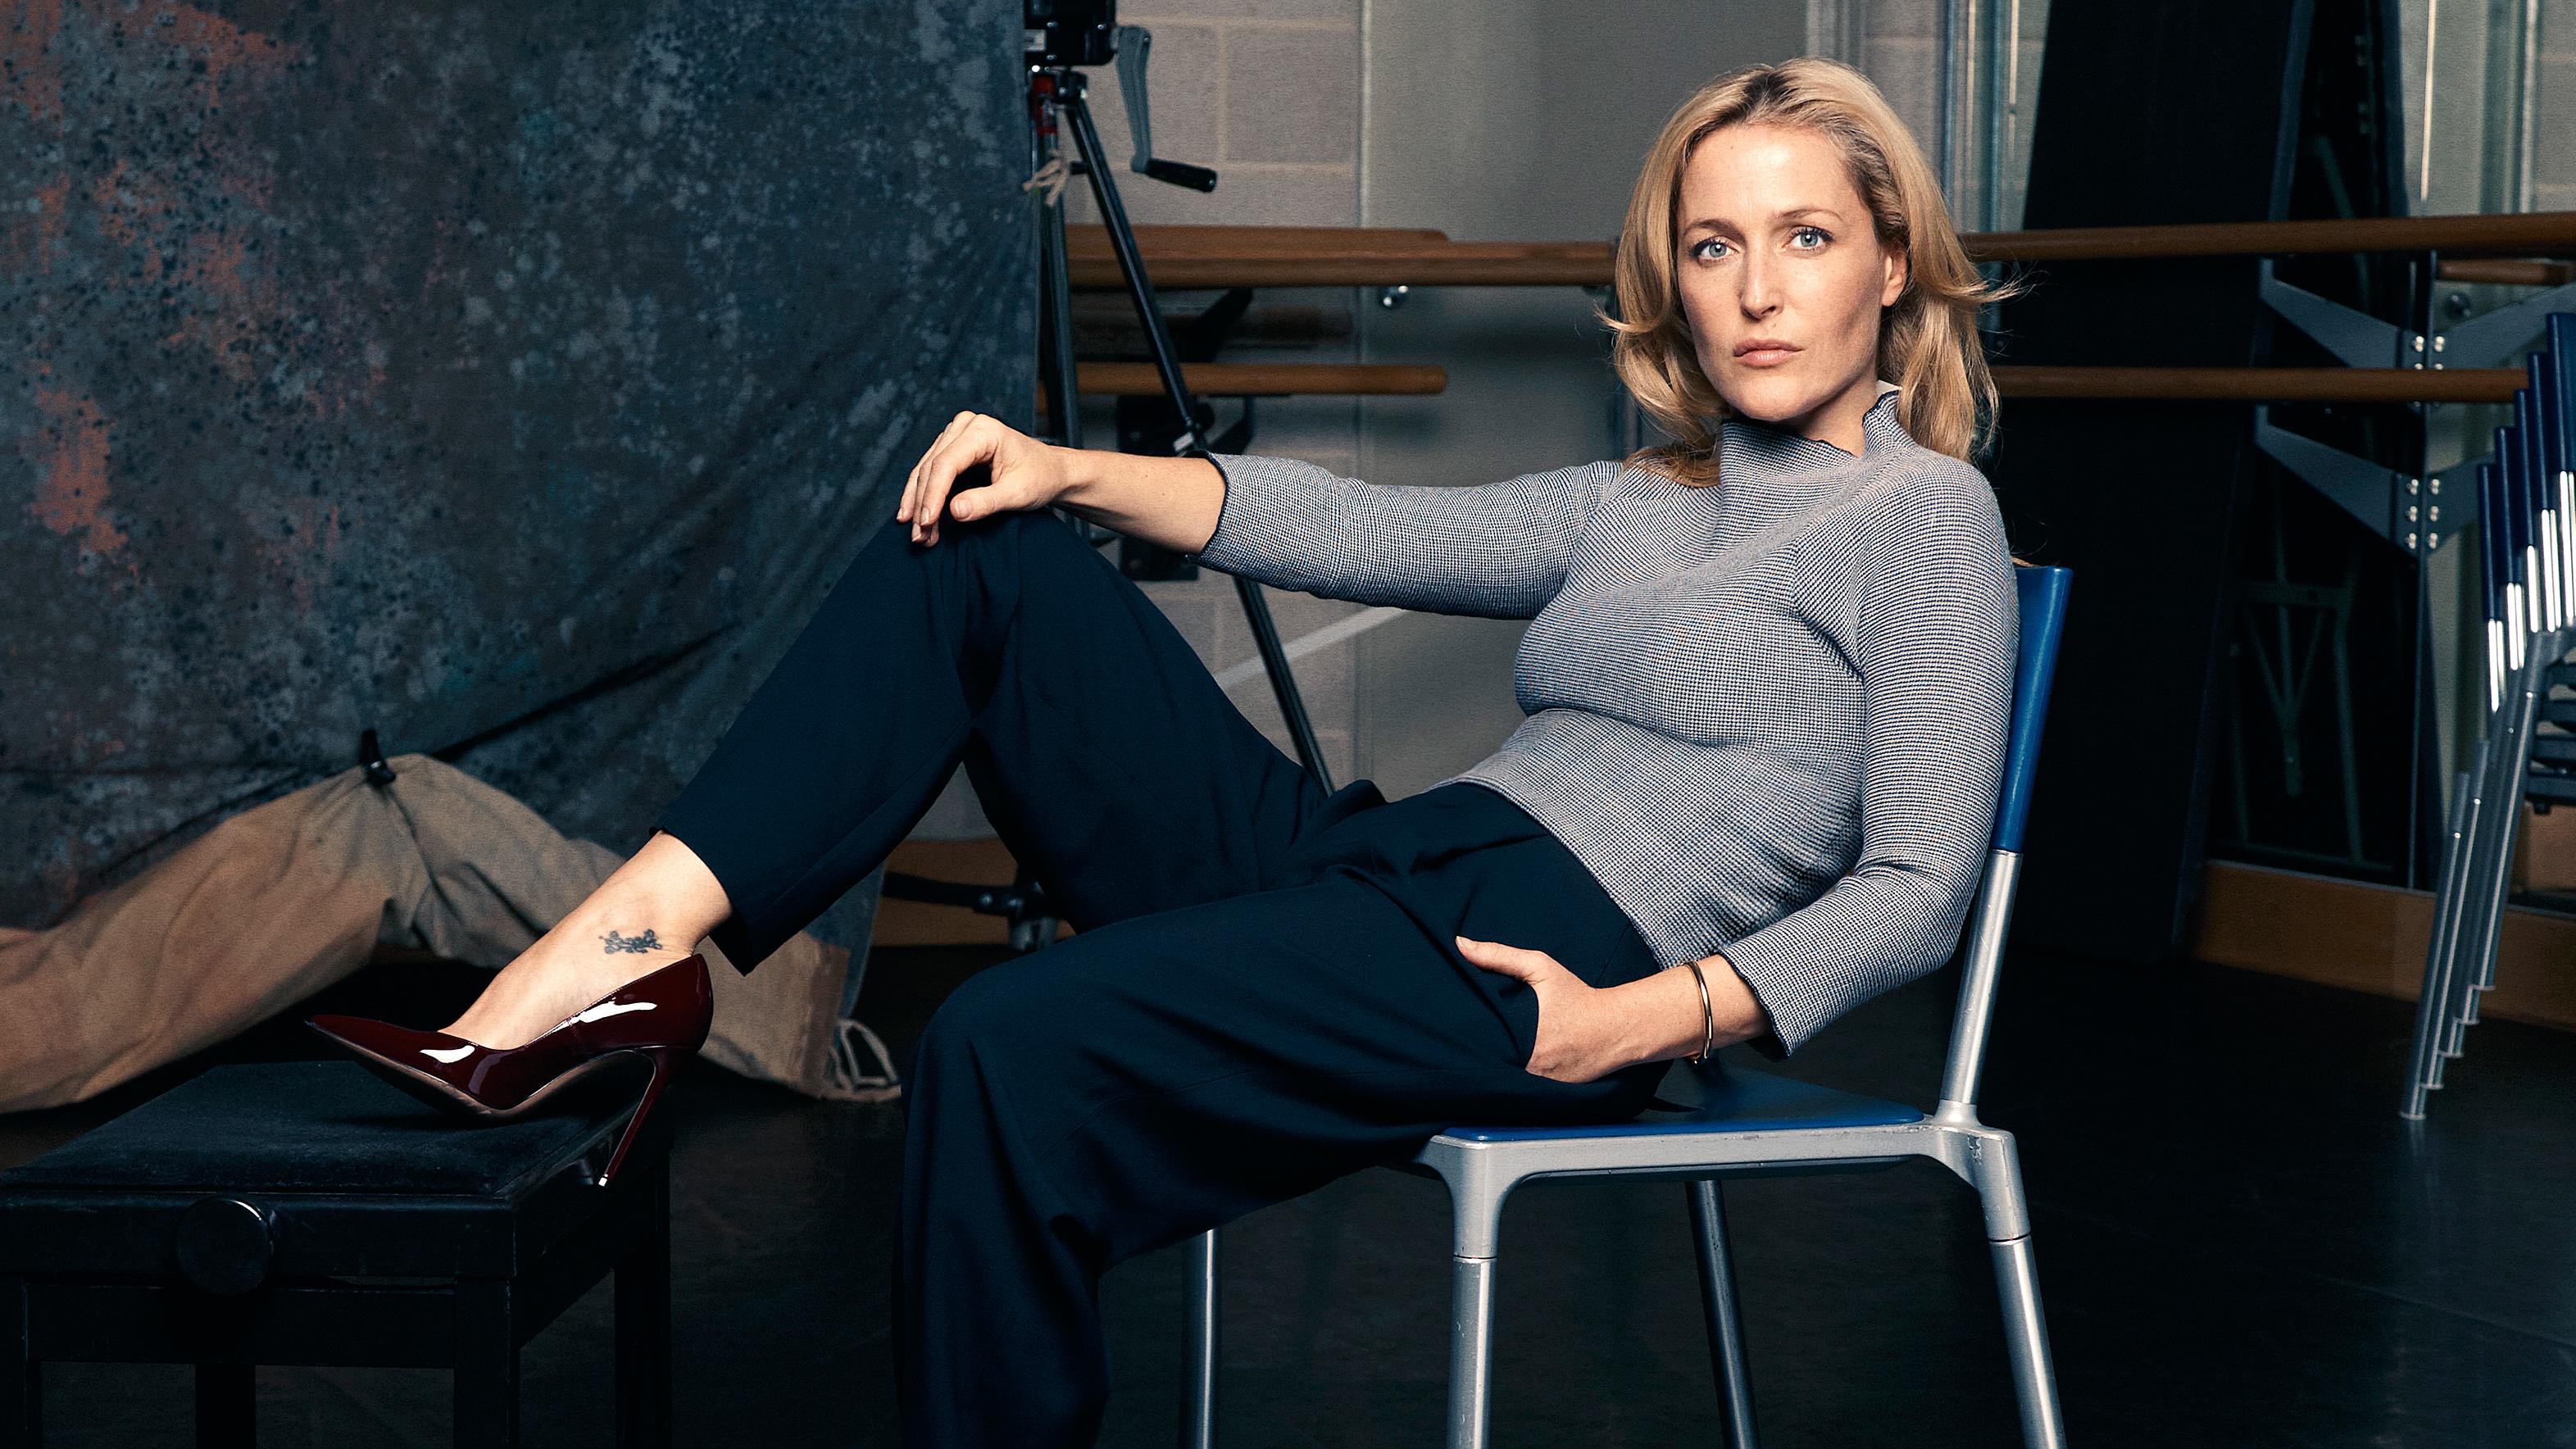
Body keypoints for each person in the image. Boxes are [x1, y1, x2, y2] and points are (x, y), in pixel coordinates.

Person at [319, 54, 2022, 1448]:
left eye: (1805, 237)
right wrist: (1068, 468)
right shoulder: (1642, 499)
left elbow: (1919, 884)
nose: (1756, 288)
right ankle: (603, 962)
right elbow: (1362, 527)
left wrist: (1637, 1020)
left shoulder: (1923, 518)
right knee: (988, 557)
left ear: (1891, 261)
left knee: (999, 1041)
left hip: (1549, 961)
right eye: (1715, 246)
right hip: (1385, 872)